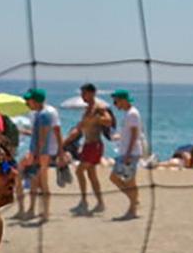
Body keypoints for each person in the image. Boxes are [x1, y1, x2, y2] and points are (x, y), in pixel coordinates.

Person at [20, 88, 62, 224]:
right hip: (39, 152)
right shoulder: (38, 114)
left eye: (29, 100)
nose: (27, 102)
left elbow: (43, 137)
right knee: (34, 181)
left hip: (42, 153)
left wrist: (37, 154)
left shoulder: (44, 115)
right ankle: (33, 210)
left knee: (43, 183)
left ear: (35, 101)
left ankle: (45, 213)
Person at [68, 84, 110, 215]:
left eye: (84, 93)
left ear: (92, 93)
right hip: (87, 144)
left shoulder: (99, 108)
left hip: (95, 144)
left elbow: (108, 121)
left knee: (80, 171)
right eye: (81, 93)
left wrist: (96, 118)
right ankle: (100, 203)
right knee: (92, 175)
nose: (82, 96)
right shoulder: (87, 109)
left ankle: (84, 201)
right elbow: (81, 127)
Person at [108, 89, 145, 221]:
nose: (115, 104)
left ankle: (133, 205)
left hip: (131, 154)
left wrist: (128, 154)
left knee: (117, 178)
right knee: (129, 182)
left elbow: (135, 134)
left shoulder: (132, 114)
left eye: (116, 101)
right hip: (125, 152)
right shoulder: (128, 114)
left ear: (123, 100)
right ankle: (133, 205)